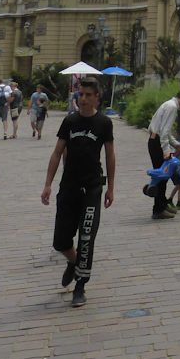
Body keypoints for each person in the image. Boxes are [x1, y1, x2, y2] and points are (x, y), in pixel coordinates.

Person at [41, 77, 115, 308]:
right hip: (69, 186)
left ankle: (81, 285)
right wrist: (48, 184)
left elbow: (110, 155)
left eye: (87, 95)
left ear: (96, 97)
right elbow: (57, 153)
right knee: (61, 241)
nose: (82, 98)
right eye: (80, 94)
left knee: (86, 237)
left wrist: (111, 187)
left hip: (92, 187)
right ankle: (73, 263)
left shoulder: (104, 123)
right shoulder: (70, 121)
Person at [147, 89, 180, 220]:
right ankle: (158, 209)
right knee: (162, 175)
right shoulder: (172, 107)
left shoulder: (168, 104)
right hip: (157, 143)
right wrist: (166, 150)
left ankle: (161, 204)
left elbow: (165, 132)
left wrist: (175, 144)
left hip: (154, 140)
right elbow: (165, 131)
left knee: (163, 175)